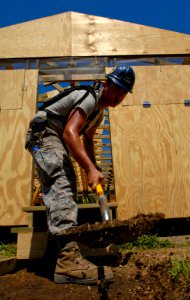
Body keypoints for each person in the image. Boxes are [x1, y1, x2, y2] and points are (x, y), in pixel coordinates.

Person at [25, 65, 135, 284]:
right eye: (116, 89)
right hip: (43, 135)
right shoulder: (89, 97)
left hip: (50, 137)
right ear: (105, 85)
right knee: (63, 181)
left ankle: (54, 255)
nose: (119, 95)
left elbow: (87, 141)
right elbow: (70, 132)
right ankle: (67, 261)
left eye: (123, 92)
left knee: (62, 185)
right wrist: (89, 168)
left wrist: (93, 168)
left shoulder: (98, 114)